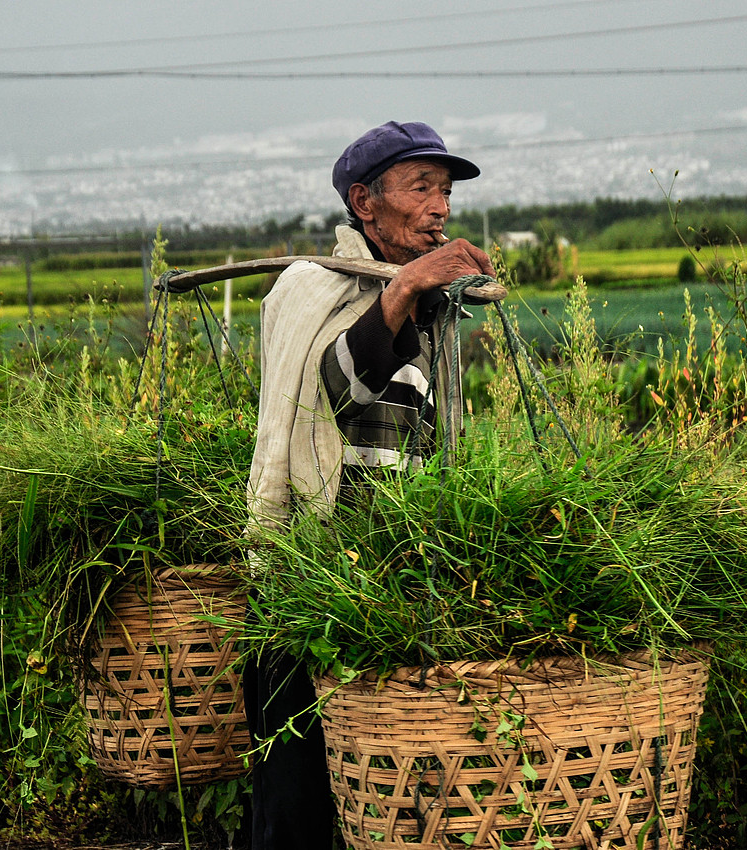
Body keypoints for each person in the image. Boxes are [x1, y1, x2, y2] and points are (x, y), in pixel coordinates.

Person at [242, 121, 495, 850]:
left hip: (393, 583)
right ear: (365, 202)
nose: (439, 207)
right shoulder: (311, 288)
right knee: (293, 799)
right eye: (421, 188)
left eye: (444, 192)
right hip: (307, 576)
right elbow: (340, 387)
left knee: (385, 796)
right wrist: (411, 283)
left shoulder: (426, 307)